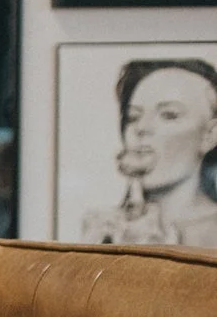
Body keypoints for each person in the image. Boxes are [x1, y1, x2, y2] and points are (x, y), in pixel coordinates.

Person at [82, 58, 217, 247]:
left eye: (169, 115)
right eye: (133, 117)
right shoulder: (103, 227)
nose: (141, 128)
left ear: (210, 135)